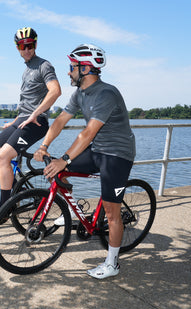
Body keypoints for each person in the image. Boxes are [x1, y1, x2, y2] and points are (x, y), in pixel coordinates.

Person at [34, 44, 136, 279]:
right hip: (97, 149)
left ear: (86, 68)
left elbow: (87, 133)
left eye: (72, 67)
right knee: (59, 173)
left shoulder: (106, 93)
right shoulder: (79, 93)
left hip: (117, 155)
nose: (69, 72)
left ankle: (112, 264)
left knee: (112, 214)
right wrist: (44, 146)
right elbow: (60, 120)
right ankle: (73, 209)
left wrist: (65, 158)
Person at [0, 27, 61, 223]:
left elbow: (55, 91)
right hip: (22, 120)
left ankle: (4, 208)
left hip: (37, 122)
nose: (25, 49)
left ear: (35, 44)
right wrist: (16, 120)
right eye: (21, 46)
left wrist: (35, 113)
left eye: (29, 45)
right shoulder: (26, 69)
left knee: (3, 157)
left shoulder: (44, 65)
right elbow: (27, 101)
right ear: (17, 47)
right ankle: (15, 192)